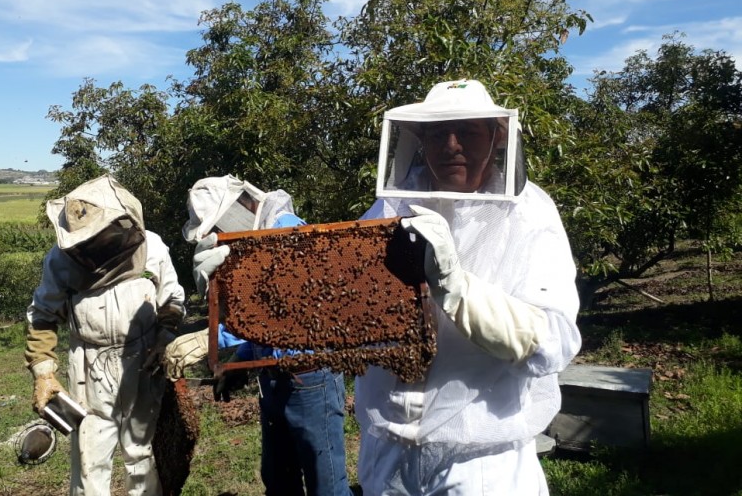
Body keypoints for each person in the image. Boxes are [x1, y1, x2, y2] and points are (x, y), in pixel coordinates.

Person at [354, 79, 582, 495]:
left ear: (497, 138)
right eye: (438, 133)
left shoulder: (530, 214)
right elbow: (338, 293)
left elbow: (554, 343)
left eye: (469, 132)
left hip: (480, 464)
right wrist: (252, 280)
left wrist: (458, 289)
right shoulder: (391, 206)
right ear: (419, 140)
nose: (451, 145)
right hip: (385, 456)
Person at [163, 175, 352, 496]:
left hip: (311, 378)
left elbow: (291, 310)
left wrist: (211, 338)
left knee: (326, 484)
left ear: (239, 208)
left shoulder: (289, 229)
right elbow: (262, 321)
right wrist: (242, 361)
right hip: (273, 377)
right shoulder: (253, 240)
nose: (220, 236)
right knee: (278, 478)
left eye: (218, 227)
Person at [24, 174, 185, 496]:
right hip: (88, 365)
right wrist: (43, 372)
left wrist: (163, 338)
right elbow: (42, 316)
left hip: (143, 358)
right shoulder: (59, 260)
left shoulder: (152, 247)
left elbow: (172, 301)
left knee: (140, 449)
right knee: (89, 454)